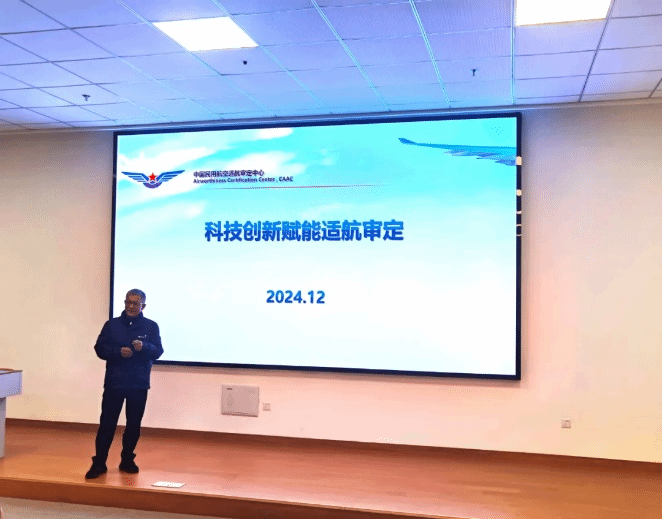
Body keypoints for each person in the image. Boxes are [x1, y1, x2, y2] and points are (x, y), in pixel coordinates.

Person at [85, 289, 163, 479]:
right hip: (115, 383)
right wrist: (118, 352)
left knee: (133, 424)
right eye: (127, 302)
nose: (130, 306)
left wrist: (144, 347)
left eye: (135, 303)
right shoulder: (112, 325)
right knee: (107, 424)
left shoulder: (151, 326)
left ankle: (127, 460)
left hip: (139, 384)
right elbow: (100, 348)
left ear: (143, 306)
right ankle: (99, 462)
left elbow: (158, 351)